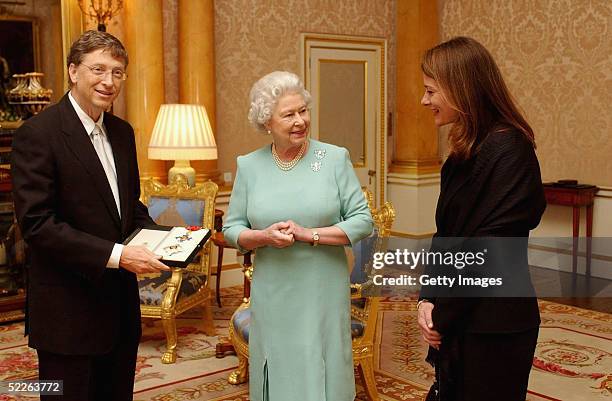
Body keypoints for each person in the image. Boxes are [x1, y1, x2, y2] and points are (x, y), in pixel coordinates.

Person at [11, 30, 169, 401]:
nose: (108, 81)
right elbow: (37, 224)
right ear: (73, 71)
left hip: (118, 311)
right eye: (98, 69)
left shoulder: (123, 132)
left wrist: (165, 240)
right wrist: (119, 255)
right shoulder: (38, 134)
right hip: (67, 312)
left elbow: (129, 208)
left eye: (117, 72)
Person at [223, 71, 373, 401]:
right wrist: (262, 236)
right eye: (288, 114)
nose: (300, 121)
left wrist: (309, 234)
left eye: (303, 110)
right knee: (279, 363)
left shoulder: (334, 158)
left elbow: (363, 221)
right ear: (267, 122)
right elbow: (231, 228)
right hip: (273, 288)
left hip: (321, 286)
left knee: (320, 361)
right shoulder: (249, 166)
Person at [416, 36, 546, 401]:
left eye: (430, 91)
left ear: (461, 88)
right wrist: (428, 300)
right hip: (459, 316)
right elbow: (445, 237)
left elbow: (489, 250)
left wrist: (443, 315)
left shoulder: (511, 151)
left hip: (496, 325)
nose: (423, 101)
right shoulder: (461, 155)